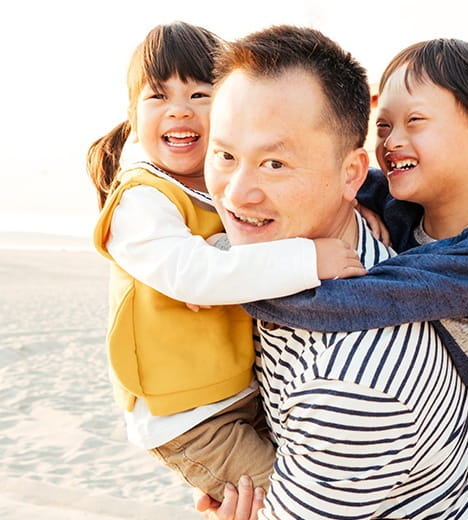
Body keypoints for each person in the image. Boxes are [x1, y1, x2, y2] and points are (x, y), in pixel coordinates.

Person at [248, 38, 468, 519]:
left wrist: (241, 288)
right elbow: (341, 180)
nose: (390, 141)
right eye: (383, 125)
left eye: (415, 121)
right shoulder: (414, 206)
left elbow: (354, 304)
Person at [196, 25, 468, 519]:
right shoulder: (296, 255)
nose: (236, 193)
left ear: (353, 174)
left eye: (274, 164)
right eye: (225, 155)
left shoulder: (351, 386)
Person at [86, 21, 366, 503]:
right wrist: (309, 257)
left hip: (240, 391)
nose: (180, 109)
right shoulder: (140, 199)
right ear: (132, 115)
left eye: (200, 94)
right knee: (285, 502)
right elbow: (195, 276)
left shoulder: (220, 187)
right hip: (191, 417)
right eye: (158, 96)